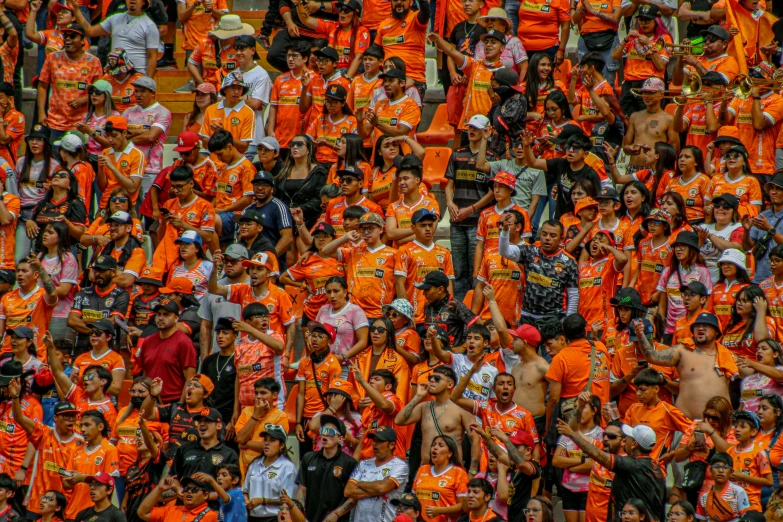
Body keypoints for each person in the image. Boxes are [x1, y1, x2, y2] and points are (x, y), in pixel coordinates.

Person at [557, 397, 666, 522]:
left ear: (634, 444)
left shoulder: (632, 464)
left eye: (628, 438)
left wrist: (571, 434)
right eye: (605, 435)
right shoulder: (655, 466)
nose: (625, 440)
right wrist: (580, 406)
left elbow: (599, 455)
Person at [636, 313, 736, 419]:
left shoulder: (727, 356)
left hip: (720, 424)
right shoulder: (682, 351)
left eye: (705, 325)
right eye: (697, 326)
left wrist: (752, 363)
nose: (700, 328)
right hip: (686, 424)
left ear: (717, 331)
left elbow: (749, 371)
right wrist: (640, 335)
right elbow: (652, 356)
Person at [499, 218, 579, 323]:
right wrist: (505, 230)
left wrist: (568, 321)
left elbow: (573, 295)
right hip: (527, 315)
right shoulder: (530, 251)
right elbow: (504, 251)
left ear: (561, 239)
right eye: (544, 234)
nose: (547, 238)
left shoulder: (569, 262)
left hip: (554, 318)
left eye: (553, 236)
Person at [36, 24, 102, 143]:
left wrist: (83, 100)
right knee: (56, 159)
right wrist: (41, 113)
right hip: (55, 121)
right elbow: (42, 86)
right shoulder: (52, 58)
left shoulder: (93, 62)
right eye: (66, 36)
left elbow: (98, 92)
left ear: (83, 41)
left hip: (82, 122)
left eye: (72, 36)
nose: (68, 39)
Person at [68, 0, 158, 77]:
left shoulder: (149, 25)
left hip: (137, 75)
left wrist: (148, 82)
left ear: (143, 2)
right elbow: (89, 31)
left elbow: (152, 56)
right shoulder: (115, 19)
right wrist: (76, 10)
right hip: (115, 74)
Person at [296, 414, 359, 522]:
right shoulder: (308, 458)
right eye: (323, 430)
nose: (324, 435)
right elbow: (302, 490)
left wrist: (336, 514)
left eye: (330, 432)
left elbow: (353, 497)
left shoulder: (349, 463)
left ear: (340, 438)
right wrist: (300, 514)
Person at [61, 410, 120, 521]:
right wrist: (71, 480)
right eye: (81, 425)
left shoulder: (109, 450)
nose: (82, 429)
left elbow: (109, 481)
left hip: (97, 515)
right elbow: (65, 484)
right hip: (73, 512)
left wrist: (82, 478)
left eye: (87, 425)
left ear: (100, 426)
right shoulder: (76, 450)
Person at [13, 126, 61, 260]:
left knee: (38, 257)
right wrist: (25, 218)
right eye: (32, 139)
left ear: (46, 143)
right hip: (23, 216)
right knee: (19, 258)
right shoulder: (21, 162)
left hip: (43, 216)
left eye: (39, 140)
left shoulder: (54, 165)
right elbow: (15, 190)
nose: (34, 143)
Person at [554, 394, 603, 522]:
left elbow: (593, 465)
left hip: (589, 489)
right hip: (568, 488)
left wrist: (569, 465)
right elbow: (556, 461)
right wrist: (582, 461)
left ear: (594, 411)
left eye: (583, 407)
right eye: (576, 408)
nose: (579, 411)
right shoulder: (567, 433)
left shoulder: (600, 435)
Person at [345, 425, 409, 522]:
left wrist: (359, 483)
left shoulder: (400, 466)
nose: (375, 444)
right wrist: (377, 489)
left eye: (380, 441)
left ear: (391, 445)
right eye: (374, 440)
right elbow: (348, 491)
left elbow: (382, 487)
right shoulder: (363, 464)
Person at [121, 76, 171, 201]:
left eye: (143, 91)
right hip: (128, 168)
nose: (138, 94)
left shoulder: (162, 112)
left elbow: (151, 136)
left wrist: (127, 140)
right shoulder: (128, 112)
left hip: (150, 168)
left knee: (147, 207)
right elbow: (117, 135)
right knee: (129, 208)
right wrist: (142, 130)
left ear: (153, 93)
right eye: (136, 91)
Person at [67, 255, 129, 354]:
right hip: (82, 350)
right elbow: (71, 321)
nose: (98, 274)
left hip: (108, 351)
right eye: (95, 271)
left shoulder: (121, 294)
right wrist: (99, 331)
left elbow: (114, 322)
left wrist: (86, 320)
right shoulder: (83, 292)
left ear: (113, 272)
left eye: (102, 271)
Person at [0, 255, 58, 356]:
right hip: (8, 354)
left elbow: (53, 294)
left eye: (24, 271)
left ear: (36, 275)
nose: (19, 274)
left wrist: (40, 268)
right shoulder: (7, 298)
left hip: (35, 354)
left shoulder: (42, 295)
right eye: (18, 271)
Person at [208, 129, 257, 247]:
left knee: (209, 220)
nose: (219, 159)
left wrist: (223, 210)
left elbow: (247, 200)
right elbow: (218, 194)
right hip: (220, 213)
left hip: (236, 215)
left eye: (220, 154)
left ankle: (217, 261)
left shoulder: (246, 168)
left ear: (230, 147)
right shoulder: (225, 167)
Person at [234, 376, 289, 476]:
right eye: (256, 393)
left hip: (268, 470)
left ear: (274, 395)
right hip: (245, 470)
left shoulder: (281, 417)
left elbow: (274, 447)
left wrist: (246, 444)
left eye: (263, 393)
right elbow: (241, 438)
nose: (258, 396)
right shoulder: (246, 412)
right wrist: (256, 415)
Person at [373, 0, 429, 98]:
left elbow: (426, 12)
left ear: (411, 2)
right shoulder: (383, 25)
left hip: (413, 79)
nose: (399, 2)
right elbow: (373, 52)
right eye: (395, 0)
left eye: (403, 0)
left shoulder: (415, 18)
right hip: (388, 80)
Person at [267, 42, 315, 155]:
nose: (290, 59)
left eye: (294, 56)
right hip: (281, 137)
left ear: (305, 58)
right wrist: (270, 130)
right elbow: (273, 107)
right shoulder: (280, 79)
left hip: (303, 137)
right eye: (288, 56)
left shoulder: (314, 78)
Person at [273, 134, 329, 229]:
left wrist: (299, 209)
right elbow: (276, 195)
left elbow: (319, 198)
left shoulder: (319, 172)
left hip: (309, 218)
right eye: (292, 144)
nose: (295, 147)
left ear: (309, 149)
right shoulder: (283, 171)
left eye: (299, 144)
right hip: (284, 217)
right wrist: (285, 210)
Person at [169, 407, 238, 481]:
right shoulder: (184, 449)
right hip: (188, 492)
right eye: (199, 421)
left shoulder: (229, 454)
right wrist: (178, 489)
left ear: (219, 426)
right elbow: (173, 477)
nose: (202, 424)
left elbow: (232, 486)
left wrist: (209, 493)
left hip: (214, 492)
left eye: (207, 421)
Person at [96, 115, 145, 209]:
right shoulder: (105, 152)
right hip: (106, 204)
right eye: (108, 136)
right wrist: (101, 169)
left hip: (125, 206)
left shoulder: (137, 154)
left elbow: (132, 188)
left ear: (124, 133)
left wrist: (112, 167)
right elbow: (102, 188)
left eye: (114, 136)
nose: (110, 139)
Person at [744, 173, 783, 284]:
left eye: (778, 189)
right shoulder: (763, 215)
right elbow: (746, 246)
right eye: (771, 188)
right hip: (760, 278)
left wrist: (770, 229)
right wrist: (746, 231)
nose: (773, 192)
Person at [695, 452, 751, 522]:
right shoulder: (703, 497)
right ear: (710, 470)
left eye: (725, 467)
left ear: (731, 471)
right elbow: (702, 520)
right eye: (717, 467)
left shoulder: (738, 492)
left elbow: (746, 517)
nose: (721, 470)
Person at [137, 476, 217, 522]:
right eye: (186, 488)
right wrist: (159, 489)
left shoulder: (212, 516)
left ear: (205, 495)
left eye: (194, 489)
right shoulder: (171, 510)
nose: (189, 491)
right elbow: (142, 513)